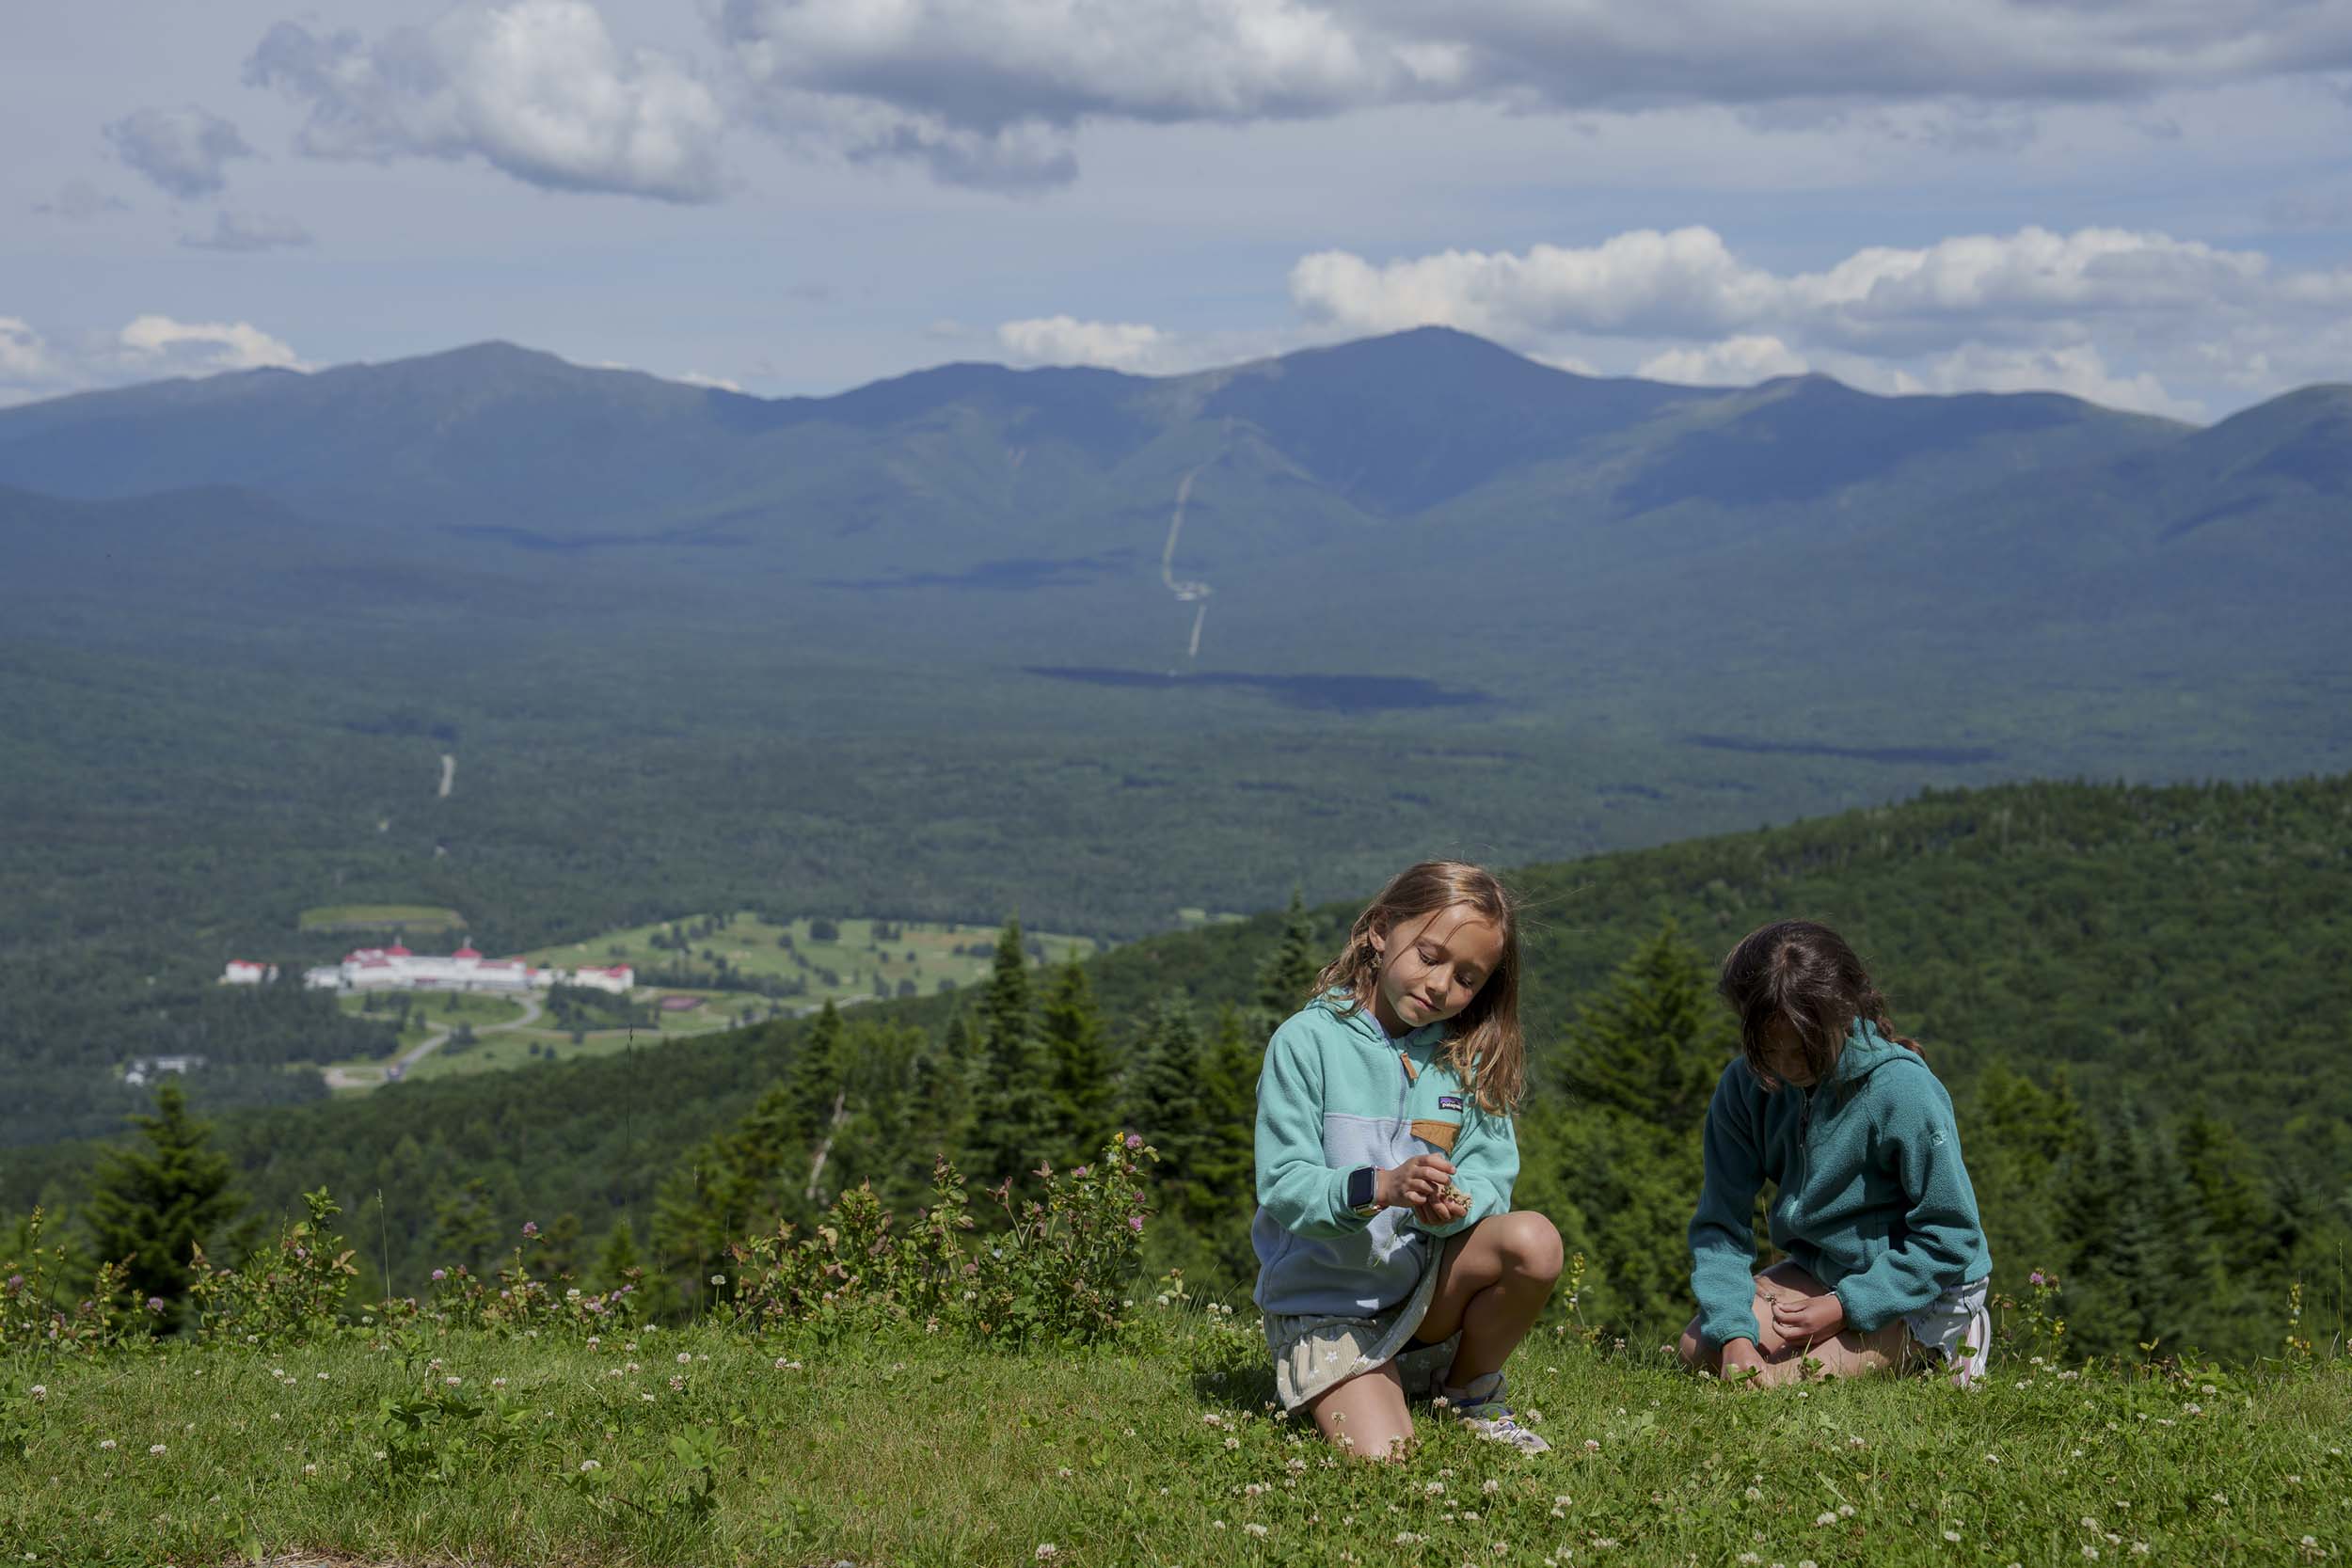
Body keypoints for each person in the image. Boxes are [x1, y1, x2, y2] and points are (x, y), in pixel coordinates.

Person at [1252, 861, 1562, 1460]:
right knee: (1388, 1458)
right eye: (1429, 955)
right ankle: (1376, 1383)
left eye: (1468, 977)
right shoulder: (1306, 1042)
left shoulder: (1466, 1057)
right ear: (1380, 930)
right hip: (1327, 1309)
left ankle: (1469, 1389)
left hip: (1423, 1298)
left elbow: (1491, 1173)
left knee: (1534, 1241)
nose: (1443, 985)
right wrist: (1380, 1187)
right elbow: (1285, 1186)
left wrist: (1454, 1203)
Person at [1679, 919, 1993, 1387]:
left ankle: (1955, 1335)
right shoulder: (1744, 1088)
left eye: (1805, 1047)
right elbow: (1720, 1227)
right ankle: (1879, 1343)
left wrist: (1844, 1307)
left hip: (1924, 1282)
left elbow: (1950, 1236)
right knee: (1698, 1351)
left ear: (1845, 1011)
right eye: (1769, 1049)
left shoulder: (1903, 1092)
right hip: (1823, 1268)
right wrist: (1733, 1334)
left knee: (1786, 1384)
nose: (1788, 1067)